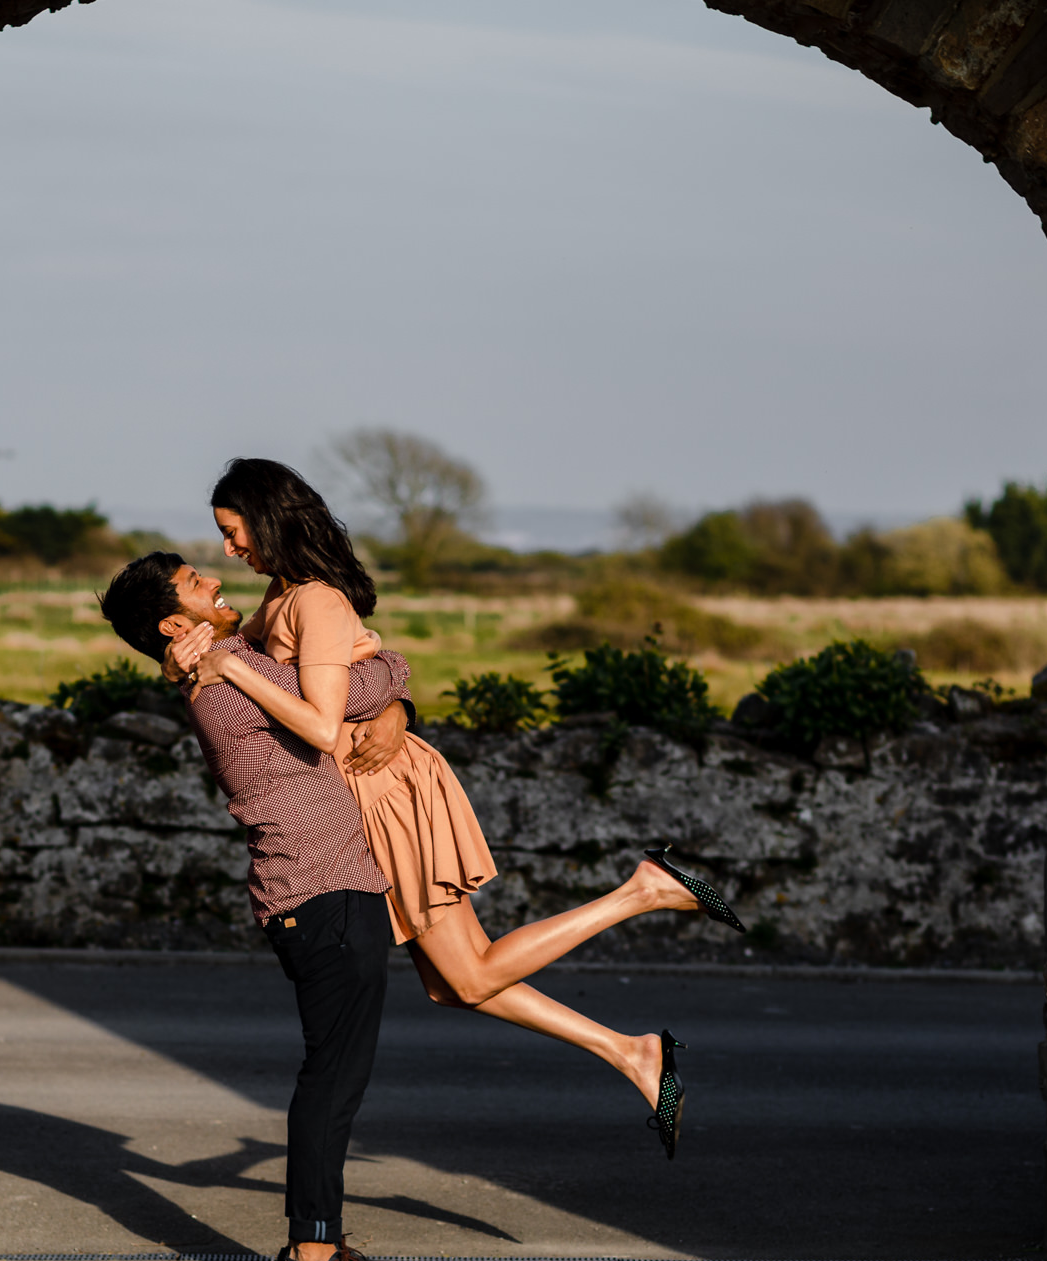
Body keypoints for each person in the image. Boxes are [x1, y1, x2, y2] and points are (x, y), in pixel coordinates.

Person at [161, 458, 737, 1158]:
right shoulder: (279, 596)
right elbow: (316, 675)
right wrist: (191, 660)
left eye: (232, 531)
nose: (227, 550)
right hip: (366, 784)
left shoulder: (312, 598)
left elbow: (316, 719)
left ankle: (645, 892)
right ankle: (631, 1051)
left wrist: (244, 667)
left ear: (267, 515)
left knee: (468, 973)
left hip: (383, 788)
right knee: (454, 982)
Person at [101, 550, 415, 1261]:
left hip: (330, 889)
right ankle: (309, 1253)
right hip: (322, 892)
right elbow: (360, 686)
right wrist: (392, 678)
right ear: (177, 621)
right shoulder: (226, 688)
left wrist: (389, 700)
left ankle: (324, 1240)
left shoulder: (229, 667)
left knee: (340, 1076)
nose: (216, 578)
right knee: (332, 1077)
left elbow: (353, 693)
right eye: (196, 582)